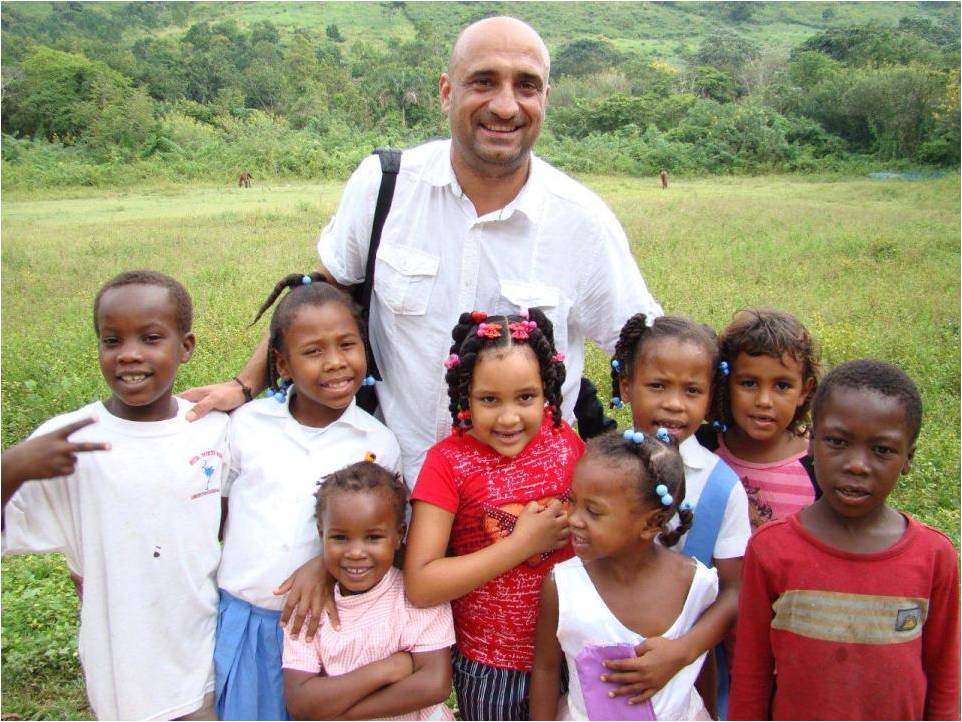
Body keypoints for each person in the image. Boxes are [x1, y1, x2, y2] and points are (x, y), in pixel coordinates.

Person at [182, 15, 662, 487]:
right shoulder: (385, 187)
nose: (505, 105)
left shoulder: (582, 220)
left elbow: (646, 348)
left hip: (524, 515)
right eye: (484, 81)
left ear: (546, 99)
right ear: (446, 91)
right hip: (392, 489)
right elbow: (320, 301)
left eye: (527, 86)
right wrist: (245, 385)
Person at [2, 270, 228, 721]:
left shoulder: (215, 431)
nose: (129, 355)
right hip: (121, 673)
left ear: (186, 347)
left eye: (150, 338)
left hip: (201, 663)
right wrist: (11, 468)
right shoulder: (68, 441)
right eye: (112, 341)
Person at [729, 359, 960, 720]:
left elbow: (946, 676)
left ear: (908, 458)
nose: (857, 464)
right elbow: (751, 675)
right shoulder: (772, 550)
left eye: (882, 450)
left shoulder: (933, 556)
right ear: (810, 443)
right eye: (837, 442)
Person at [215, 273, 401, 720]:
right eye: (313, 351)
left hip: (331, 627)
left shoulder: (377, 443)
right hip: (247, 620)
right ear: (282, 364)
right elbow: (220, 516)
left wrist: (323, 563)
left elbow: (389, 536)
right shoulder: (247, 426)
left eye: (347, 345)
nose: (335, 362)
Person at [404, 310, 583, 720]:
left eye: (526, 397)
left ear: (548, 391)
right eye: (489, 399)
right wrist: (522, 544)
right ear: (465, 395)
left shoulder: (567, 444)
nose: (508, 418)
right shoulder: (447, 464)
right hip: (491, 665)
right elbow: (421, 582)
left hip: (572, 649)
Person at [606, 314, 751, 716]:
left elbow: (733, 592)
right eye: (657, 386)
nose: (673, 403)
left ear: (710, 397)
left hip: (686, 680)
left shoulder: (721, 489)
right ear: (626, 386)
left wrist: (681, 652)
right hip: (598, 672)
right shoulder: (595, 469)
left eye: (692, 390)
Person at [530, 430, 718, 720]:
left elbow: (703, 665)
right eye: (573, 501)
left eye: (593, 511)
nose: (573, 518)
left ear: (651, 523)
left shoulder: (695, 585)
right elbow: (546, 668)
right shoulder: (563, 586)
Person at [283, 461, 455, 720]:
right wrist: (386, 669)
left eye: (373, 537)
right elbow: (301, 702)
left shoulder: (415, 596)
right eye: (340, 537)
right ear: (322, 534)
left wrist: (335, 714)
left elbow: (434, 684)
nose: (355, 553)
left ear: (398, 536)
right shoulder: (309, 604)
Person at [698, 308, 820, 530]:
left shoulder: (818, 463)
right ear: (725, 383)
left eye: (782, 386)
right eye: (749, 383)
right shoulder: (700, 447)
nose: (764, 401)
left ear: (804, 390)